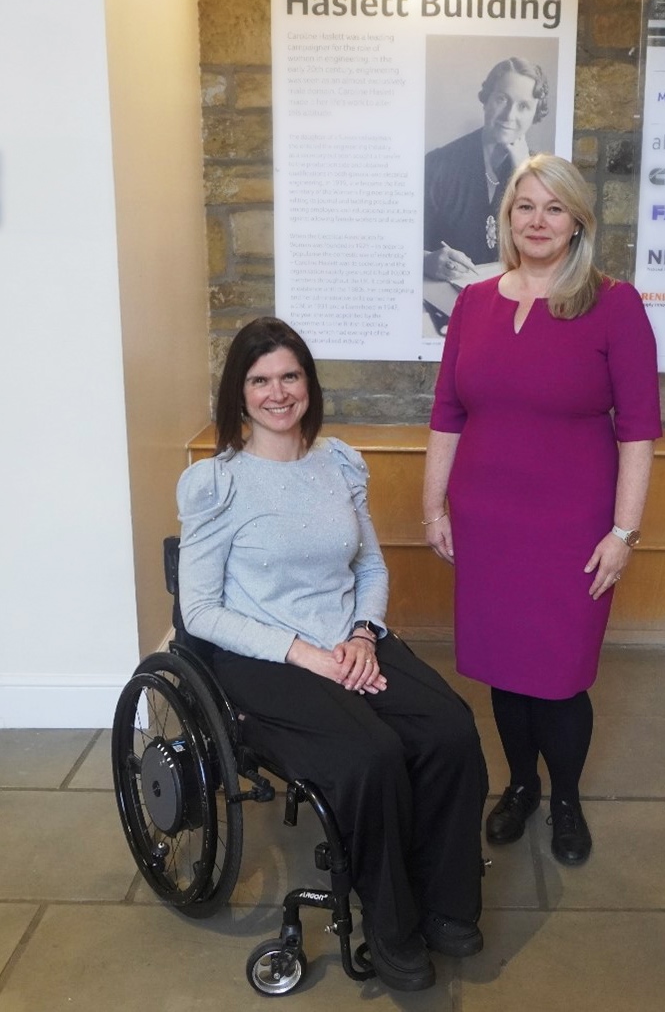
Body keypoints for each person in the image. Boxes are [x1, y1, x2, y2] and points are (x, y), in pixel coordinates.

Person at [177, 317, 488, 992]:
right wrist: (304, 653)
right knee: (369, 755)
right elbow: (200, 610)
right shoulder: (217, 484)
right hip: (262, 655)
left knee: (451, 731)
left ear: (309, 386)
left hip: (347, 636)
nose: (277, 392)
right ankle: (391, 924)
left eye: (290, 375)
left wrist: (360, 633)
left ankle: (446, 904)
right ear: (239, 392)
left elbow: (370, 567)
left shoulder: (338, 462)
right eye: (260, 380)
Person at [423, 154, 662, 867]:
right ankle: (520, 785)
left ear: (577, 219)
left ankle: (564, 798)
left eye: (552, 207)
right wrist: (433, 502)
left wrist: (623, 531)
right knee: (504, 669)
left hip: (573, 529)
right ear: (506, 218)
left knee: (559, 677)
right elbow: (446, 411)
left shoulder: (613, 303)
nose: (536, 220)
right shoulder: (473, 302)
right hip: (486, 520)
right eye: (523, 206)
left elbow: (639, 426)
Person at [423, 56, 550, 284]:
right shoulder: (437, 165)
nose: (509, 116)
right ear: (486, 100)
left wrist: (525, 173)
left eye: (523, 106)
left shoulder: (544, 175)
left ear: (535, 114)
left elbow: (551, 251)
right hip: (444, 303)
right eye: (502, 99)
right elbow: (401, 243)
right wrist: (426, 260)